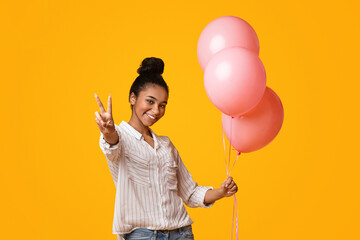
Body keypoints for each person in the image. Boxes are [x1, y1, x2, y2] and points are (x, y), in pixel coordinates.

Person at [95, 57, 238, 240]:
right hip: (143, 235)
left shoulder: (166, 145)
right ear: (133, 98)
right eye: (150, 101)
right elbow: (111, 147)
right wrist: (108, 132)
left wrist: (221, 192)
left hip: (181, 233)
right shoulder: (119, 137)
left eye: (162, 105)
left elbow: (190, 193)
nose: (156, 111)